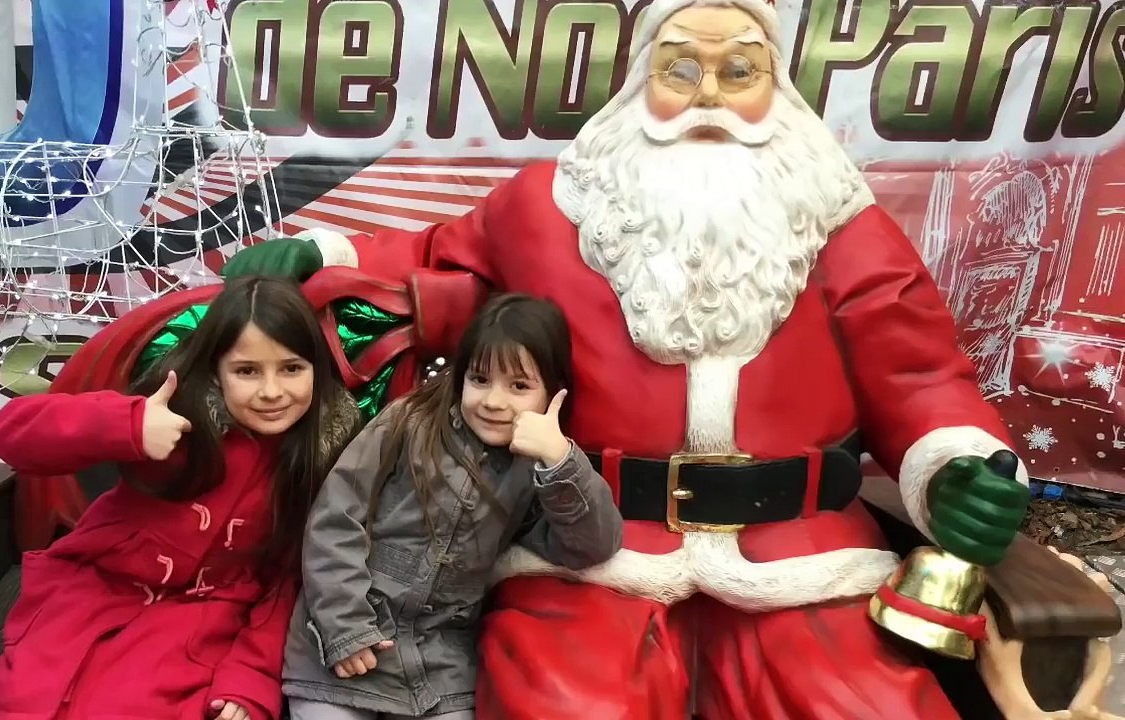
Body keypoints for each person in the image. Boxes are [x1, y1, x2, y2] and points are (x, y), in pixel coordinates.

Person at [220, 1, 1034, 718]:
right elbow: (436, 262)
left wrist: (951, 466)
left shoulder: (839, 221)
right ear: (642, 80)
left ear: (776, 86)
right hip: (592, 557)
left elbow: (920, 373)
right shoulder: (548, 207)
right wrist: (320, 253)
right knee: (567, 707)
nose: (709, 95)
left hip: (804, 563)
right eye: (681, 68)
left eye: (739, 70)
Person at [0, 276, 362, 720]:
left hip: (201, 624)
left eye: (291, 368)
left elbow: (286, 585)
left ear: (315, 369)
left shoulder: (321, 458)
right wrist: (127, 424)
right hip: (93, 593)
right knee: (30, 698)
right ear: (217, 370)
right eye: (247, 371)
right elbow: (10, 433)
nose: (271, 391)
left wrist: (250, 677)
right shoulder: (173, 413)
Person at [279, 293, 623, 719]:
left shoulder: (538, 468)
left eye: (519, 386)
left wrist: (561, 462)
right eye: (480, 379)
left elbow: (593, 545)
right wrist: (345, 626)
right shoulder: (409, 422)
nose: (493, 401)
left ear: (553, 392)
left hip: (438, 666)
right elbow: (335, 518)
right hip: (343, 647)